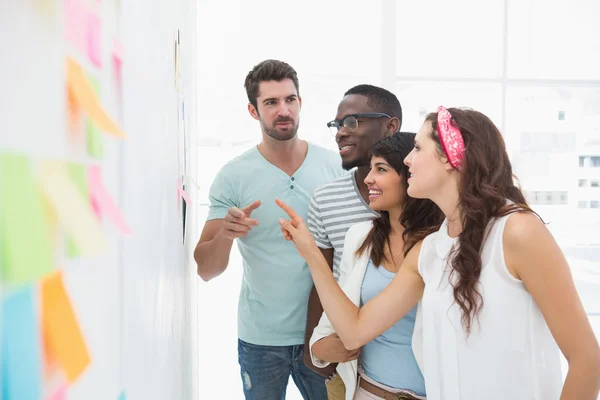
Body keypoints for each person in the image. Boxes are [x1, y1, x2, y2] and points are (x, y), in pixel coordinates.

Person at [277, 106, 600, 399]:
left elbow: (587, 359)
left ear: (450, 157)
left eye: (418, 148)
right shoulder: (432, 248)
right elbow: (354, 330)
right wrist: (310, 252)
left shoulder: (517, 231)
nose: (407, 159)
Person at [193, 59, 345, 400]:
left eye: (290, 99)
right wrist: (226, 234)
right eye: (271, 102)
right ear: (253, 110)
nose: (283, 110)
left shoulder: (334, 168)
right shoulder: (234, 176)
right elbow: (206, 269)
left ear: (301, 103)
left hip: (324, 332)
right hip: (260, 340)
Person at [310, 132, 444, 400]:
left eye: (380, 169)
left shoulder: (445, 244)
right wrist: (322, 349)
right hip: (368, 392)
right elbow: (328, 329)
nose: (369, 178)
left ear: (411, 174)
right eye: (371, 168)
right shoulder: (359, 237)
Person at [302, 84, 403, 398]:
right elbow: (323, 277)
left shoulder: (426, 200)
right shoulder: (326, 198)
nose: (340, 133)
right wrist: (315, 352)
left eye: (352, 121)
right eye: (337, 124)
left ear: (391, 125)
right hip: (350, 372)